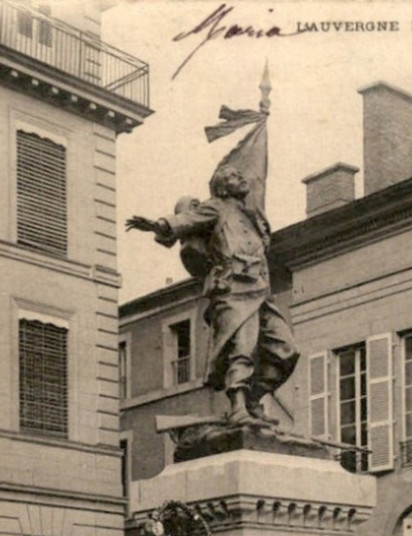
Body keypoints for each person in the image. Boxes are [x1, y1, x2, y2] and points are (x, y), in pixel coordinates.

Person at [126, 164, 299, 424]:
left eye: (240, 174)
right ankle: (239, 406)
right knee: (243, 347)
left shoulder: (252, 215)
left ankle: (253, 400)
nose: (240, 177)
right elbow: (187, 220)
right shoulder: (216, 207)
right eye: (232, 176)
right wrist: (159, 225)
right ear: (220, 188)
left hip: (260, 291)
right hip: (233, 289)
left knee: (286, 348)